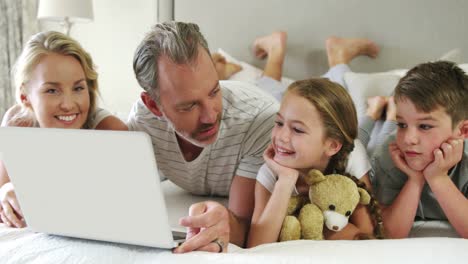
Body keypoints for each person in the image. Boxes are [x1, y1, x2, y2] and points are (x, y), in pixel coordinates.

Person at [0, 31, 127, 228]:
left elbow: (118, 207)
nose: (68, 105)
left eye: (78, 88)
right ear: (25, 96)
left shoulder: (111, 132)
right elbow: (3, 191)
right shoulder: (17, 124)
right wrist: (6, 191)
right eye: (52, 90)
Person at [247, 78, 384, 247]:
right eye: (279, 123)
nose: (281, 137)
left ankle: (374, 111)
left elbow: (367, 235)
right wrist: (286, 180)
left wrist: (316, 229)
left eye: (297, 129)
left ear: (332, 145)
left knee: (371, 136)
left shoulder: (352, 156)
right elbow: (256, 246)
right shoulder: (270, 170)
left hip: (351, 144)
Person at [371, 61, 468, 238]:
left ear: (463, 131)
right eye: (402, 124)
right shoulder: (390, 153)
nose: (409, 139)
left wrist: (438, 178)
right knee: (365, 143)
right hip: (381, 140)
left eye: (424, 126)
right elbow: (390, 234)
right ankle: (376, 111)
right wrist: (415, 180)